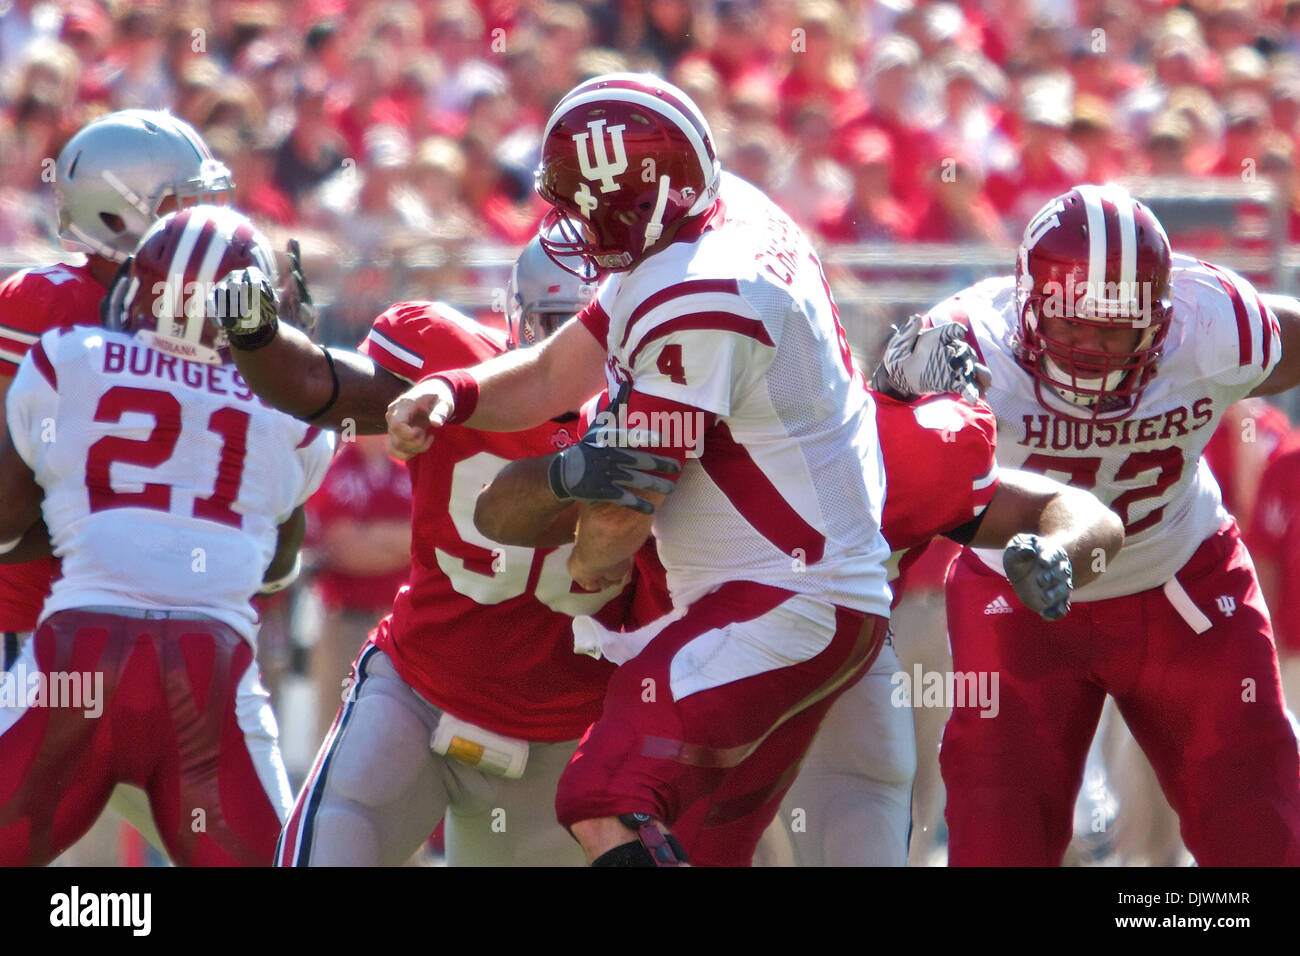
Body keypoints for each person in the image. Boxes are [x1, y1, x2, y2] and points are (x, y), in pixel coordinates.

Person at [384, 73, 932, 866]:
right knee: (703, 848)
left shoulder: (700, 298)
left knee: (602, 799)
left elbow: (622, 513)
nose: (579, 228)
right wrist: (453, 392)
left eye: (596, 209)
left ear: (645, 203)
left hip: (777, 603)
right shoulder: (714, 212)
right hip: (803, 596)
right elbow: (551, 375)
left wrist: (580, 578)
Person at [478, 384, 1126, 866]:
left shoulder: (892, 440)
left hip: (813, 687)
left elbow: (1069, 510)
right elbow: (501, 514)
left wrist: (1060, 551)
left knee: (618, 806)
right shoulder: (658, 416)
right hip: (748, 681)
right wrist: (568, 476)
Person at [882, 183, 1300, 865]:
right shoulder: (968, 342)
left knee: (1260, 828)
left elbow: (1291, 337)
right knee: (997, 838)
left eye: (1116, 325)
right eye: (1073, 322)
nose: (1093, 347)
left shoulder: (1216, 324)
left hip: (1181, 584)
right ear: (1028, 309)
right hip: (1015, 599)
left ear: (1162, 318)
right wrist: (897, 384)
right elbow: (874, 435)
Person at [219, 230, 640, 866]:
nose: (572, 351)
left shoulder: (659, 417)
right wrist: (259, 338)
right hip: (417, 691)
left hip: (561, 734)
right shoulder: (451, 363)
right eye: (557, 324)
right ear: (518, 320)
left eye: (592, 329)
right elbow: (320, 384)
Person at [0, 205, 334, 864]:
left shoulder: (71, 358)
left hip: (77, 657)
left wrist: (94, 512)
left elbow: (5, 524)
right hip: (209, 672)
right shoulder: (287, 410)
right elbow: (277, 566)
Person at [0, 108, 237, 857]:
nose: (207, 220)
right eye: (182, 203)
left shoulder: (209, 305)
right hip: (40, 634)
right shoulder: (40, 307)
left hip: (156, 632)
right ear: (119, 212)